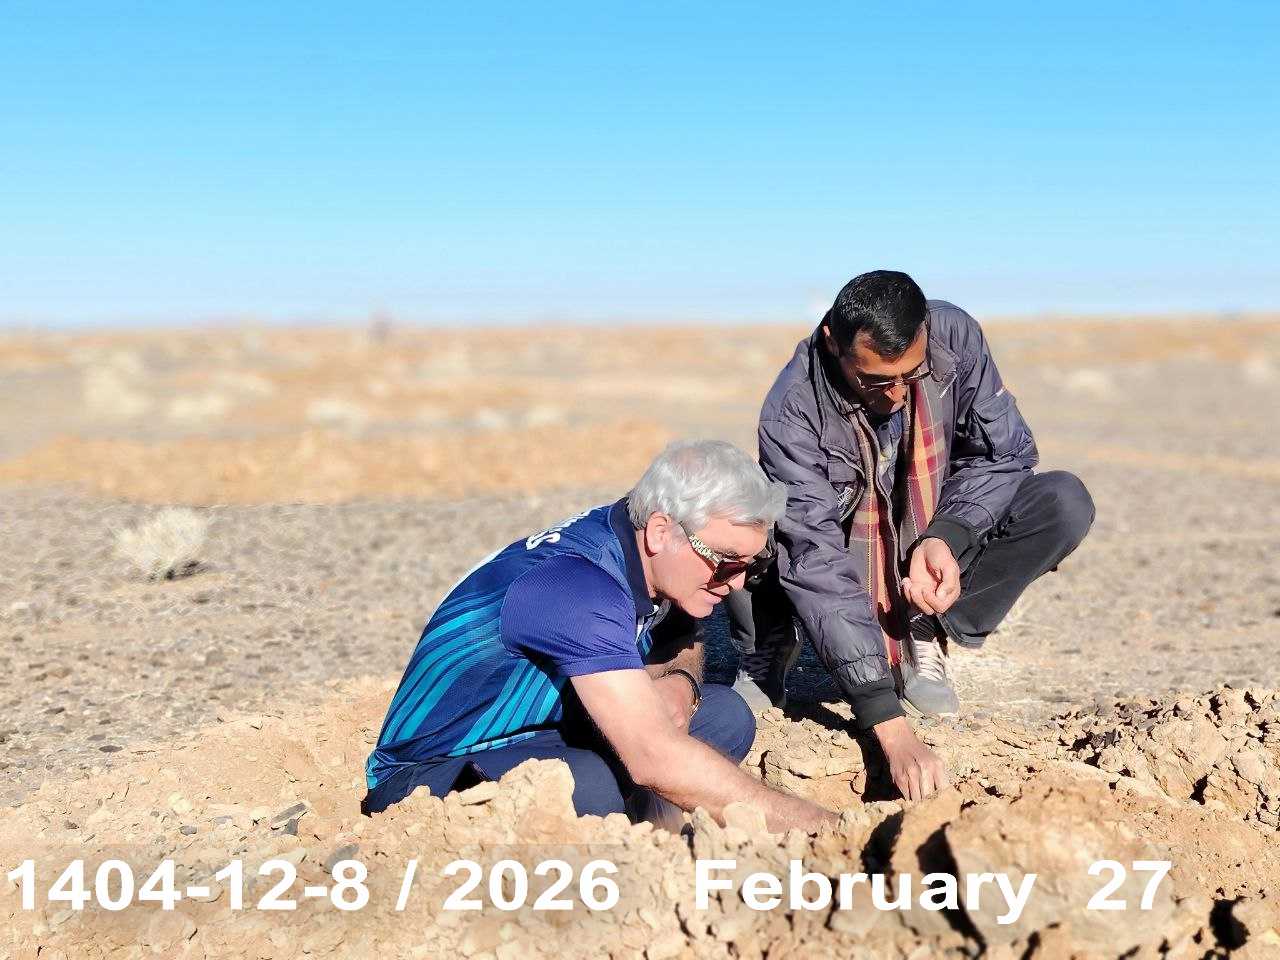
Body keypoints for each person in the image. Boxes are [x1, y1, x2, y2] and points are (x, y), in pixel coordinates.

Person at [729, 270, 1095, 801]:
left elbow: (1003, 454)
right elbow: (813, 553)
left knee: (1061, 502)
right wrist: (884, 716)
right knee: (741, 519)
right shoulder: (792, 410)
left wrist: (947, 536)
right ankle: (769, 641)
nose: (898, 395)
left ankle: (926, 624)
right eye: (876, 381)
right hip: (844, 549)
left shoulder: (954, 337)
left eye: (911, 375)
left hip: (923, 530)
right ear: (832, 343)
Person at [363, 439, 838, 832]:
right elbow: (653, 757)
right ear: (661, 531)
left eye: (751, 565)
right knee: (591, 784)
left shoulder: (640, 544)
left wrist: (680, 681)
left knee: (724, 715)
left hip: (549, 730)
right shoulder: (577, 587)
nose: (736, 584)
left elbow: (683, 634)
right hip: (437, 769)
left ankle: (651, 824)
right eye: (726, 563)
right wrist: (819, 825)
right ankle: (645, 835)